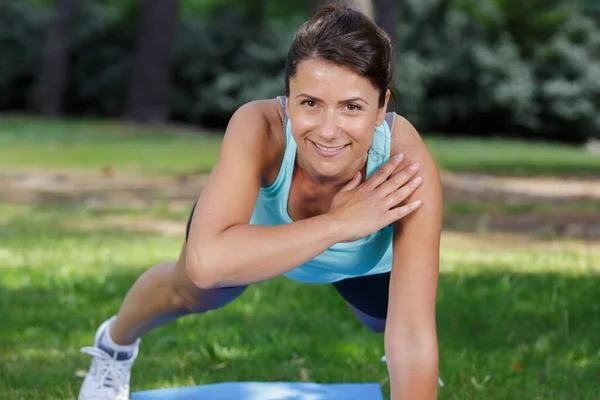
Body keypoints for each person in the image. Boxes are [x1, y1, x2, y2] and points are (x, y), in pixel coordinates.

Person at [77, 4, 442, 400]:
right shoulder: (259, 127)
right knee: (194, 289)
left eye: (352, 107)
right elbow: (206, 265)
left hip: (361, 261)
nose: (328, 130)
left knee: (387, 320)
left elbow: (413, 334)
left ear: (382, 107)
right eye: (310, 103)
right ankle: (114, 345)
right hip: (252, 234)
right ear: (287, 98)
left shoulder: (404, 163)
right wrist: (341, 224)